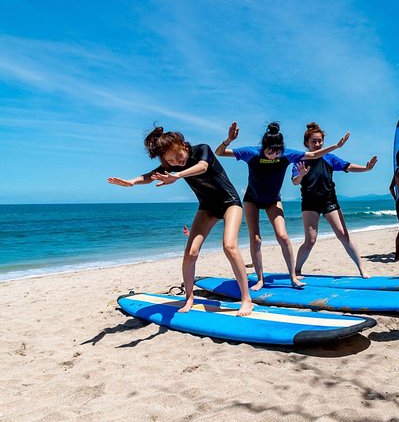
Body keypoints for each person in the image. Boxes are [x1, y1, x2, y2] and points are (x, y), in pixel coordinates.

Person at [108, 126, 253, 315]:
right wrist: (132, 182)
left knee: (229, 246)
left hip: (229, 202)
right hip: (207, 207)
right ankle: (189, 298)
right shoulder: (171, 166)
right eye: (170, 161)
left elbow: (203, 166)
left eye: (178, 156)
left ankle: (246, 299)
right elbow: (149, 176)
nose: (177, 162)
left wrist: (177, 175)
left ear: (184, 146)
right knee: (190, 253)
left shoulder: (202, 149)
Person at [215, 121, 349, 290]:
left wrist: (335, 146)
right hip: (252, 200)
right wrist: (228, 140)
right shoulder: (251, 152)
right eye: (270, 151)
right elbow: (219, 153)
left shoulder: (286, 154)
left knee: (283, 237)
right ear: (264, 146)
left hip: (273, 200)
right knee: (255, 239)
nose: (274, 155)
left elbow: (314, 155)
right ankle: (260, 279)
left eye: (277, 151)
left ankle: (293, 276)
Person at [291, 122, 377, 278]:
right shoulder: (300, 159)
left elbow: (348, 166)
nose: (317, 144)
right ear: (306, 143)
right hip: (310, 202)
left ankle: (362, 268)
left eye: (320, 141)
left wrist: (366, 168)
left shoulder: (329, 158)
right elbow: (295, 181)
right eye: (313, 141)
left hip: (329, 200)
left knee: (343, 235)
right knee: (310, 240)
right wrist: (301, 174)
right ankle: (296, 270)